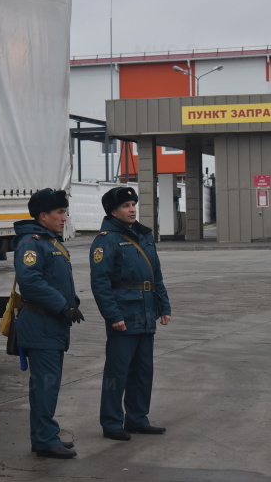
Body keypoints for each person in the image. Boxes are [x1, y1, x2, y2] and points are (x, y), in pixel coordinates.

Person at [89, 186, 171, 441]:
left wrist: (164, 306)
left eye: (133, 204)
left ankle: (137, 418)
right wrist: (113, 316)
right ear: (113, 211)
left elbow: (156, 274)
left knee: (143, 370)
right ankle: (112, 422)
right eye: (126, 205)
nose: (132, 208)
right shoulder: (106, 240)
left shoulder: (144, 236)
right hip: (123, 313)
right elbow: (100, 283)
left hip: (146, 312)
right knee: (118, 372)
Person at [13, 188, 84, 459]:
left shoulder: (49, 241)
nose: (64, 217)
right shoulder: (32, 242)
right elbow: (30, 282)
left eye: (64, 212)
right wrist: (61, 304)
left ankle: (45, 434)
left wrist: (72, 302)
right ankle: (44, 439)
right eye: (60, 212)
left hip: (52, 324)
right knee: (45, 385)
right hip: (41, 324)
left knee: (49, 385)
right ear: (43, 216)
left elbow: (54, 279)